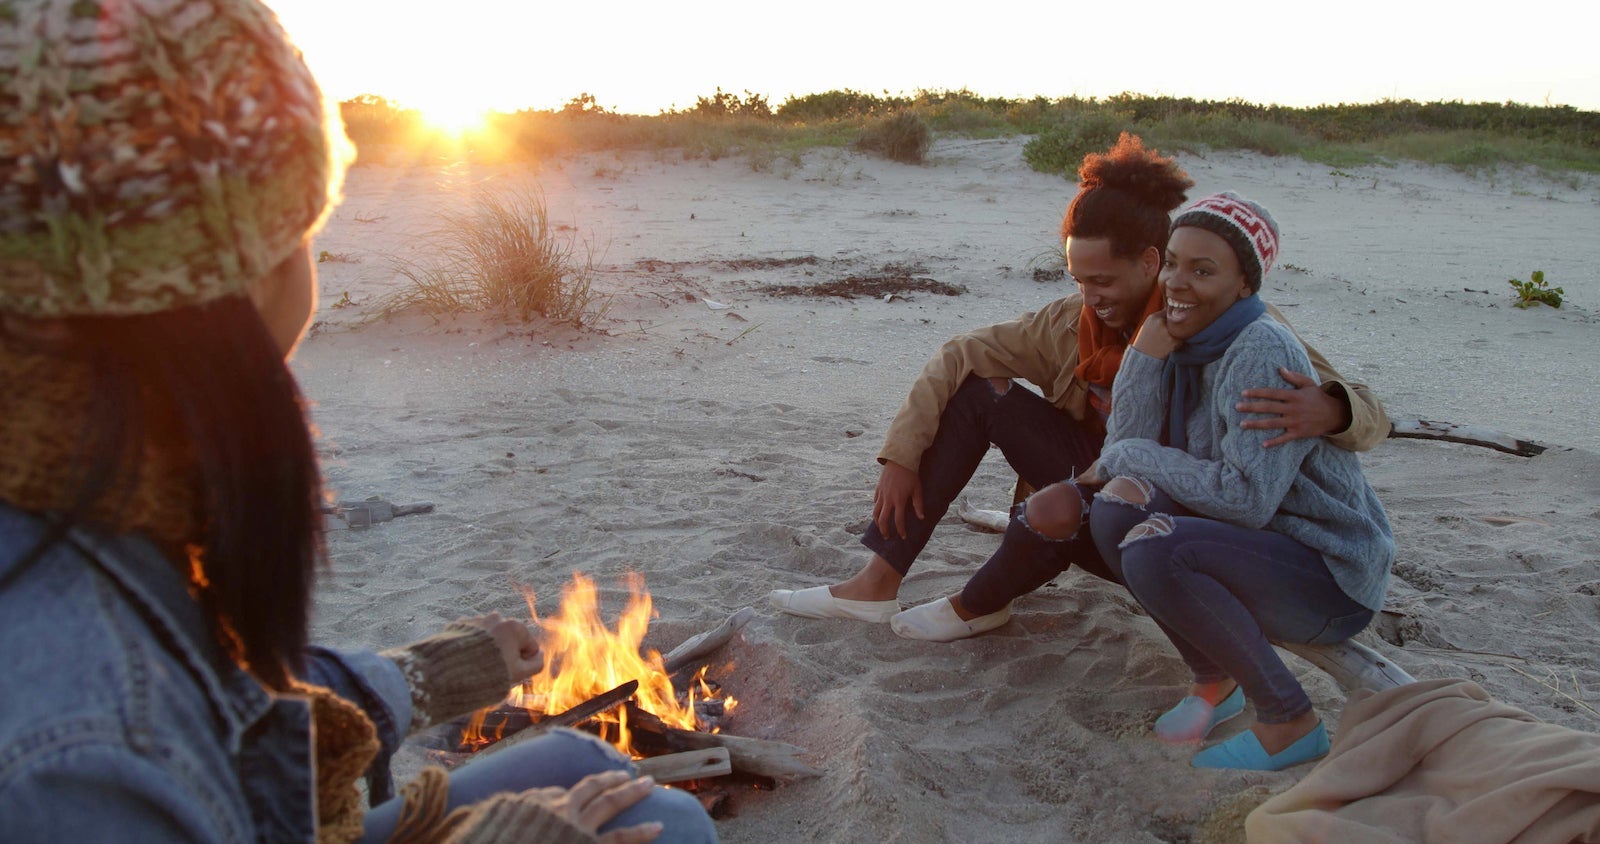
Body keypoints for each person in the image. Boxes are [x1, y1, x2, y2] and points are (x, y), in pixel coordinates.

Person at [0, 2, 716, 841]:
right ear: (246, 275)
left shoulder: (91, 494)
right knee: (667, 825)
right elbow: (152, 714)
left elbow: (218, 692)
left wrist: (414, 678)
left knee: (585, 767)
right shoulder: (82, 749)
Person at [770, 134, 1388, 642]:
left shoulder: (1239, 328)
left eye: (1103, 280)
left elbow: (1371, 413)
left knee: (1075, 500)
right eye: (1077, 278)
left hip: (1170, 509)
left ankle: (985, 596)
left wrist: (1333, 409)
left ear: (1150, 262)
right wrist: (902, 456)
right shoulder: (1069, 321)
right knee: (980, 392)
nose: (1089, 296)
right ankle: (876, 582)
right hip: (1100, 473)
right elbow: (960, 353)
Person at [1088, 192, 1395, 771]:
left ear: (1245, 286)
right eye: (1174, 262)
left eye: (1204, 271)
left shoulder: (1259, 349)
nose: (1178, 282)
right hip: (1262, 548)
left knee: (1155, 549)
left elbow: (1244, 499)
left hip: (1330, 572)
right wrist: (1145, 358)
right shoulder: (1186, 341)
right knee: (1112, 512)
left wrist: (1127, 453)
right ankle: (1214, 676)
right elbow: (1122, 456)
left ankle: (1289, 720)